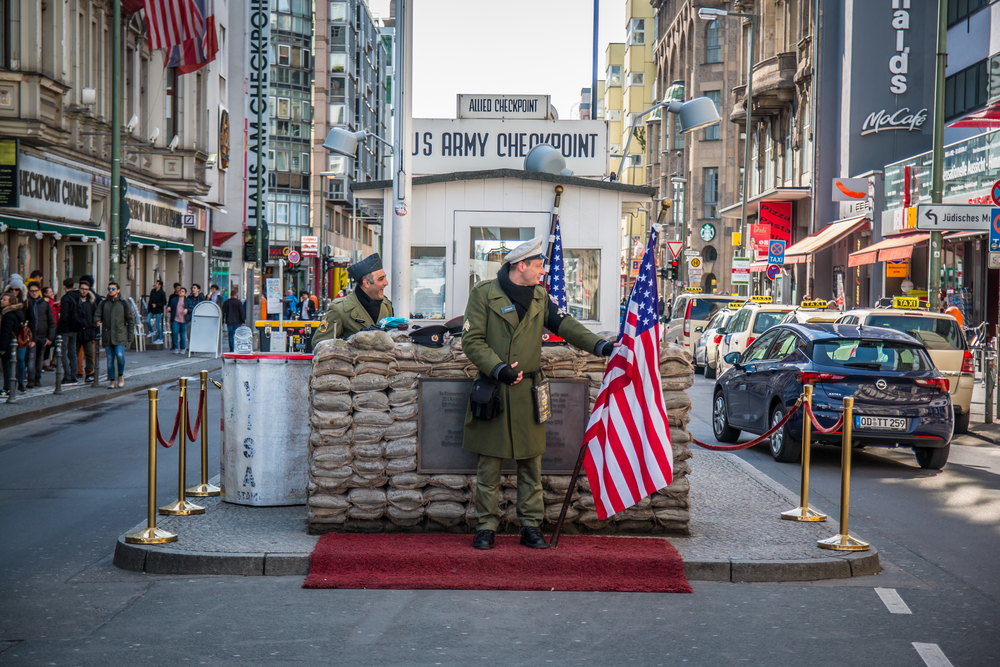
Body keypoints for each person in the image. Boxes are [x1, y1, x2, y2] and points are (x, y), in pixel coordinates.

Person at [461, 236, 614, 551]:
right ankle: (486, 527)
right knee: (489, 464)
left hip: (530, 390)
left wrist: (600, 345)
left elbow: (565, 324)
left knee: (531, 463)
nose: (543, 271)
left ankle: (531, 526)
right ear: (522, 266)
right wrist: (498, 368)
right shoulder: (483, 294)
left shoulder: (540, 297)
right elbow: (472, 341)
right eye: (539, 265)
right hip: (495, 388)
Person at [312, 253, 393, 344]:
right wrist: (352, 342)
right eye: (381, 279)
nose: (386, 283)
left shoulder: (386, 306)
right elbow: (318, 343)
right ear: (366, 283)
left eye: (385, 278)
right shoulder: (340, 309)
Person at [95, 281, 135, 388]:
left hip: (120, 334)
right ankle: (112, 381)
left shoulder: (123, 303)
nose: (111, 291)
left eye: (113, 289)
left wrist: (130, 336)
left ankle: (120, 376)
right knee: (109, 359)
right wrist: (97, 320)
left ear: (118, 290)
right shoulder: (103, 303)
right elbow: (97, 314)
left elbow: (131, 320)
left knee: (120, 355)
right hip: (108, 335)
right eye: (109, 289)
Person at [25, 281, 55, 388]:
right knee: (31, 357)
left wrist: (50, 337)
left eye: (36, 291)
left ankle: (37, 378)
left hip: (43, 335)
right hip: (31, 336)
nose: (34, 293)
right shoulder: (27, 303)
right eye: (32, 291)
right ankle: (31, 379)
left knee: (39, 359)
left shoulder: (45, 304)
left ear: (39, 291)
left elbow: (51, 321)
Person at [56, 279, 84, 384]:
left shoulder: (66, 298)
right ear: (73, 286)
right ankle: (74, 376)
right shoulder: (78, 297)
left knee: (63, 352)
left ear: (64, 286)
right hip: (75, 328)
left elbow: (64, 316)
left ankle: (67, 376)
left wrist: (60, 327)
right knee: (72, 352)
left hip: (66, 328)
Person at [0, 291, 28, 396]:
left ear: (10, 302)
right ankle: (12, 387)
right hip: (14, 343)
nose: (1, 301)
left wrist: (2, 348)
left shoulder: (8, 315)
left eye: (4, 300)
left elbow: (6, 332)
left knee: (7, 367)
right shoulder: (17, 312)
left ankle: (7, 388)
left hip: (8, 344)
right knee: (11, 366)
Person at [76, 278, 99, 383]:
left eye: (86, 289)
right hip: (77, 331)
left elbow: (96, 315)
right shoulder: (75, 301)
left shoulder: (91, 301)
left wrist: (95, 324)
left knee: (89, 354)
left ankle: (88, 374)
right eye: (82, 289)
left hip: (89, 332)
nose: (84, 291)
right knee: (74, 354)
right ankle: (74, 373)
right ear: (79, 289)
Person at [167, 287, 192, 354]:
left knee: (182, 334)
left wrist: (187, 310)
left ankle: (183, 348)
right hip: (175, 319)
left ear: (185, 294)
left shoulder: (187, 300)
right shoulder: (174, 300)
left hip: (184, 319)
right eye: (180, 291)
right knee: (175, 332)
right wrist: (169, 308)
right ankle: (175, 348)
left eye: (182, 291)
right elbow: (170, 306)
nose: (180, 292)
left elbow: (191, 308)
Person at [222, 287, 246, 353]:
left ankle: (231, 349)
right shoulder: (239, 303)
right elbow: (242, 312)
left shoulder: (226, 302)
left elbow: (223, 312)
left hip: (229, 322)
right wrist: (243, 321)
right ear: (236, 295)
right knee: (237, 336)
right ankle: (237, 348)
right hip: (238, 322)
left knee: (230, 336)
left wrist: (222, 321)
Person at [42, 286, 59, 371]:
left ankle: (48, 362)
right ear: (45, 294)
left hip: (54, 326)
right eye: (50, 292)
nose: (52, 293)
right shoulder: (47, 302)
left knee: (52, 345)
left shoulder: (51, 302)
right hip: (49, 327)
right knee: (50, 344)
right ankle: (46, 362)